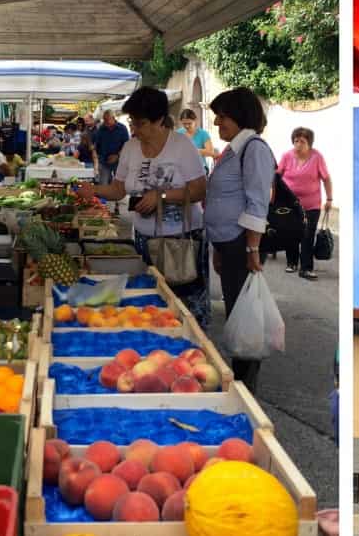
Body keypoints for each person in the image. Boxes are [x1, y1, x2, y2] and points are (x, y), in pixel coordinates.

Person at [79, 88, 208, 326]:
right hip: (144, 239)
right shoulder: (130, 148)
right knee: (150, 305)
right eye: (132, 123)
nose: (135, 129)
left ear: (159, 120)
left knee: (184, 307)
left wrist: (163, 195)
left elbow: (200, 189)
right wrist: (94, 190)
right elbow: (119, 189)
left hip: (180, 239)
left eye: (140, 123)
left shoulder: (181, 145)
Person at [203, 87, 276, 393]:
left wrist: (252, 248)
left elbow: (258, 201)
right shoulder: (233, 149)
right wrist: (218, 248)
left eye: (222, 118)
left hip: (240, 243)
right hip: (226, 243)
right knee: (235, 308)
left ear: (240, 116)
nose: (218, 124)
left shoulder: (254, 148)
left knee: (243, 312)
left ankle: (246, 382)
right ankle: (241, 375)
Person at [276, 127, 332, 279]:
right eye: (296, 141)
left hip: (311, 204)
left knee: (308, 235)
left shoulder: (317, 157)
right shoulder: (287, 156)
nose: (298, 144)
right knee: (291, 233)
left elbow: (326, 178)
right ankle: (292, 262)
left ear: (309, 143)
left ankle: (306, 268)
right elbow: (277, 176)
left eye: (302, 141)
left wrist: (329, 199)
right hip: (291, 204)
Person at [94, 109, 130, 186]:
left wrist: (117, 156)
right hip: (104, 161)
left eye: (107, 119)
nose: (105, 122)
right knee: (103, 184)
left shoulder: (122, 129)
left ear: (113, 118)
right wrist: (99, 155)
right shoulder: (101, 129)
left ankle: (115, 197)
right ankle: (104, 197)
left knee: (119, 184)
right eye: (104, 119)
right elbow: (97, 144)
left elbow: (126, 145)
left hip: (118, 162)